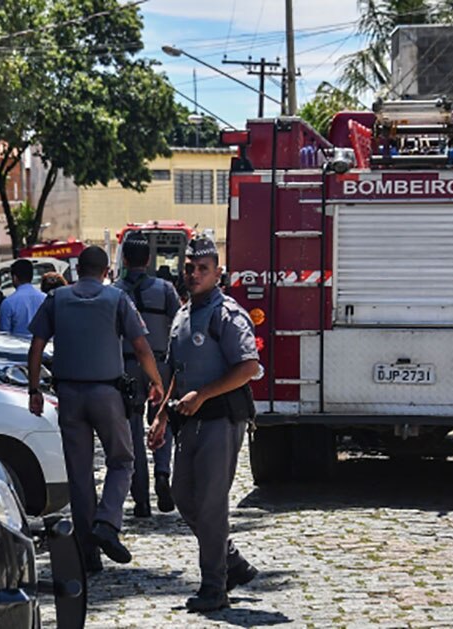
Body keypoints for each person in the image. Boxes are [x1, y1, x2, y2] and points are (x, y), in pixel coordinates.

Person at [27, 246, 164, 574]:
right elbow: (141, 345)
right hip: (107, 393)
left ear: (77, 268)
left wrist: (34, 390)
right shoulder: (117, 300)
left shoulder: (56, 299)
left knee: (79, 474)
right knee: (122, 459)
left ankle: (88, 552)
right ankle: (108, 521)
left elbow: (35, 347)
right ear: (106, 272)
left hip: (69, 395)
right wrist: (156, 381)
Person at [148, 236, 261, 612]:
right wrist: (162, 415)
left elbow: (248, 367)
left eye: (203, 269)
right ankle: (229, 559)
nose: (194, 274)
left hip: (221, 420)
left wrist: (204, 395)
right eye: (190, 268)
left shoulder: (226, 314)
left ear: (218, 273)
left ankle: (215, 587)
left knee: (211, 505)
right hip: (189, 422)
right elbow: (179, 373)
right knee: (182, 495)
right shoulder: (183, 314)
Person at [114, 232, 181, 518]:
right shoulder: (165, 289)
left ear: (125, 260)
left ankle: (140, 498)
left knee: (131, 435)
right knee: (161, 421)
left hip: (126, 368)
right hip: (160, 365)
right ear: (149, 260)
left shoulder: (115, 292)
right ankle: (163, 472)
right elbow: (179, 324)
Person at [0, 259, 45, 338]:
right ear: (31, 276)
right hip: (43, 348)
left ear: (14, 278)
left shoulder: (8, 302)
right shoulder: (45, 298)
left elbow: (4, 335)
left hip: (17, 348)